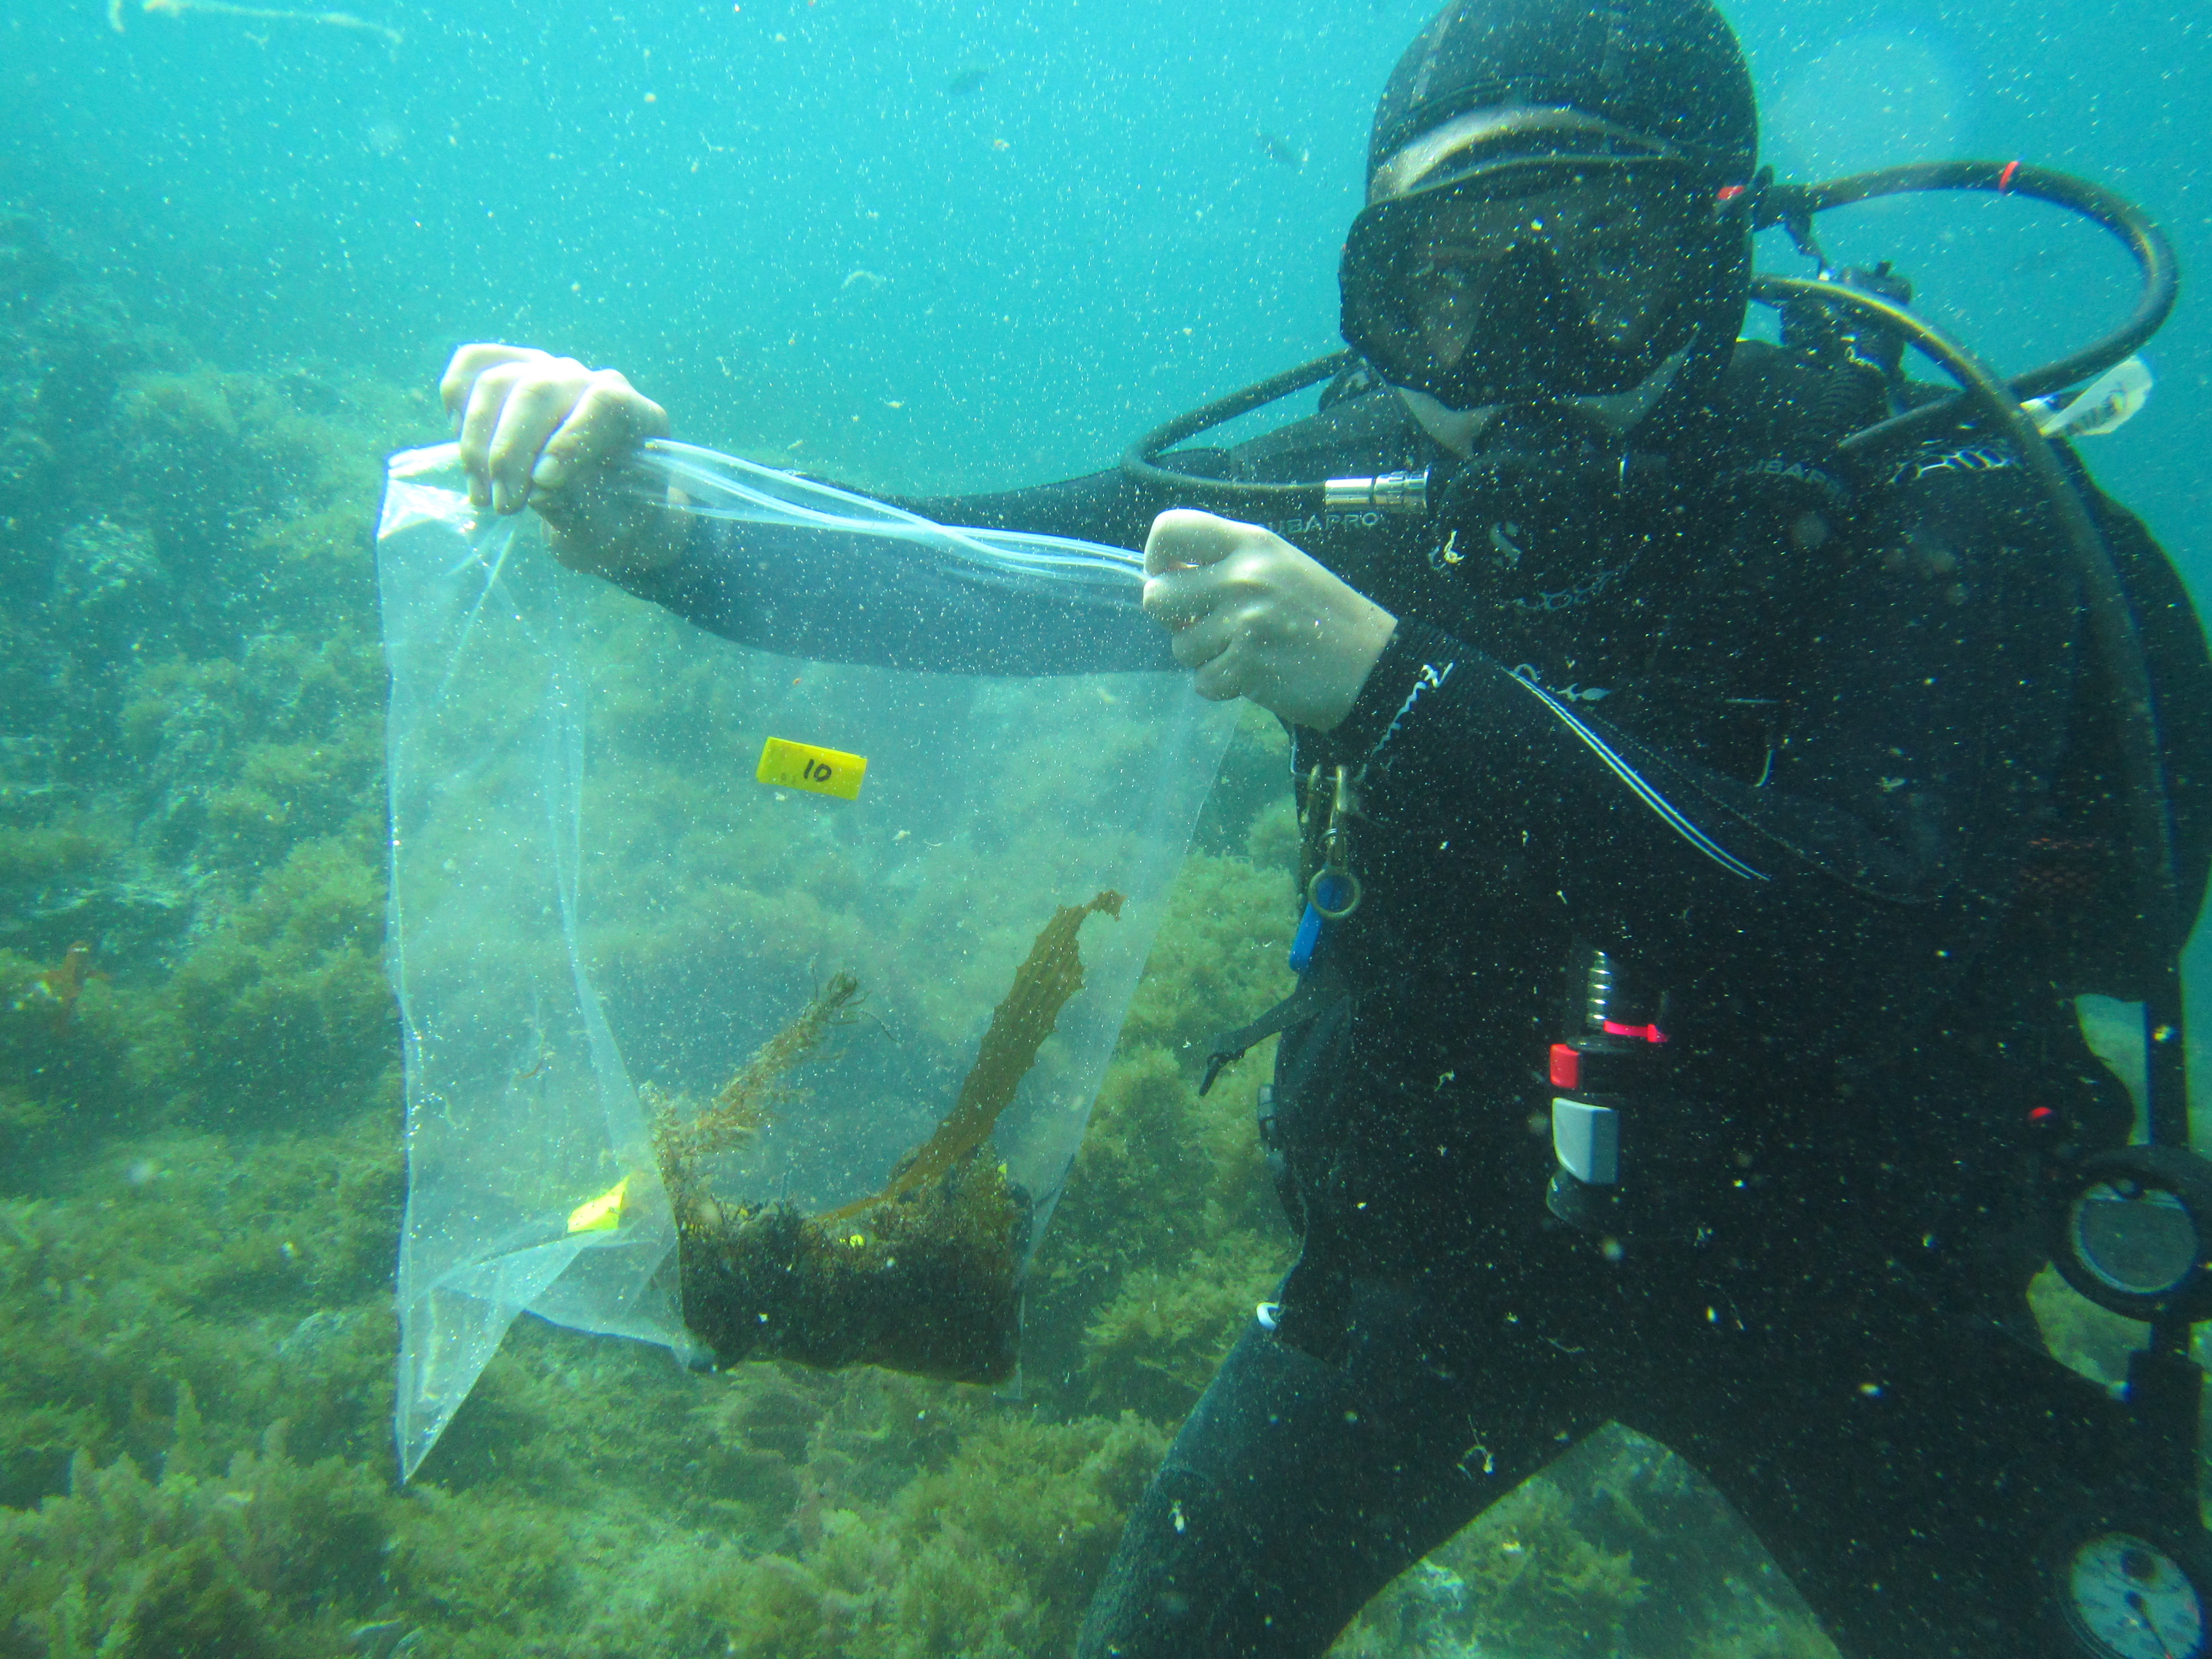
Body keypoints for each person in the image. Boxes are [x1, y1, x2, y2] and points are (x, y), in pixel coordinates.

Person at [439, 1, 2212, 1653]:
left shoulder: (1925, 491)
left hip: (1862, 1296)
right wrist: (653, 518)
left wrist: (1405, 689)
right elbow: (963, 582)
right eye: (1454, 278)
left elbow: (1871, 932)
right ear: (1381, 287)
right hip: (1440, 1264)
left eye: (1605, 256)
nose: (1524, 350)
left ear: (1721, 251)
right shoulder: (1352, 488)